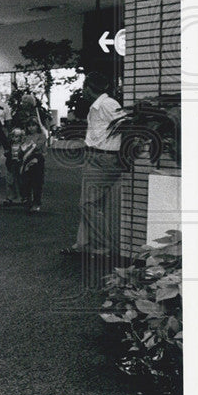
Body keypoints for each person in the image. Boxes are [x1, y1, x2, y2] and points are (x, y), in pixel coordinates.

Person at [61, 71, 123, 256]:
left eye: (84, 87)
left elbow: (125, 124)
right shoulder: (98, 106)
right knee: (91, 202)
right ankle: (83, 244)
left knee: (87, 204)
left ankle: (107, 246)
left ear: (89, 88)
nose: (82, 91)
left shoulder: (108, 104)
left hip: (102, 159)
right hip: (96, 157)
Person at [19, 114, 49, 213]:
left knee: (37, 182)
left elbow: (37, 147)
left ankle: (36, 203)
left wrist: (28, 147)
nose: (31, 128)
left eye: (33, 125)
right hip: (26, 160)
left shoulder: (42, 136)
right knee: (26, 181)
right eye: (29, 126)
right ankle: (27, 200)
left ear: (37, 126)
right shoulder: (25, 136)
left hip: (37, 159)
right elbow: (22, 147)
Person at [2, 127, 25, 205]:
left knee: (21, 181)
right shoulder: (9, 145)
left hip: (20, 164)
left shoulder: (23, 145)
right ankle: (9, 197)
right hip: (11, 164)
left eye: (17, 136)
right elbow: (6, 154)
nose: (15, 138)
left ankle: (24, 197)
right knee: (10, 181)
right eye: (14, 136)